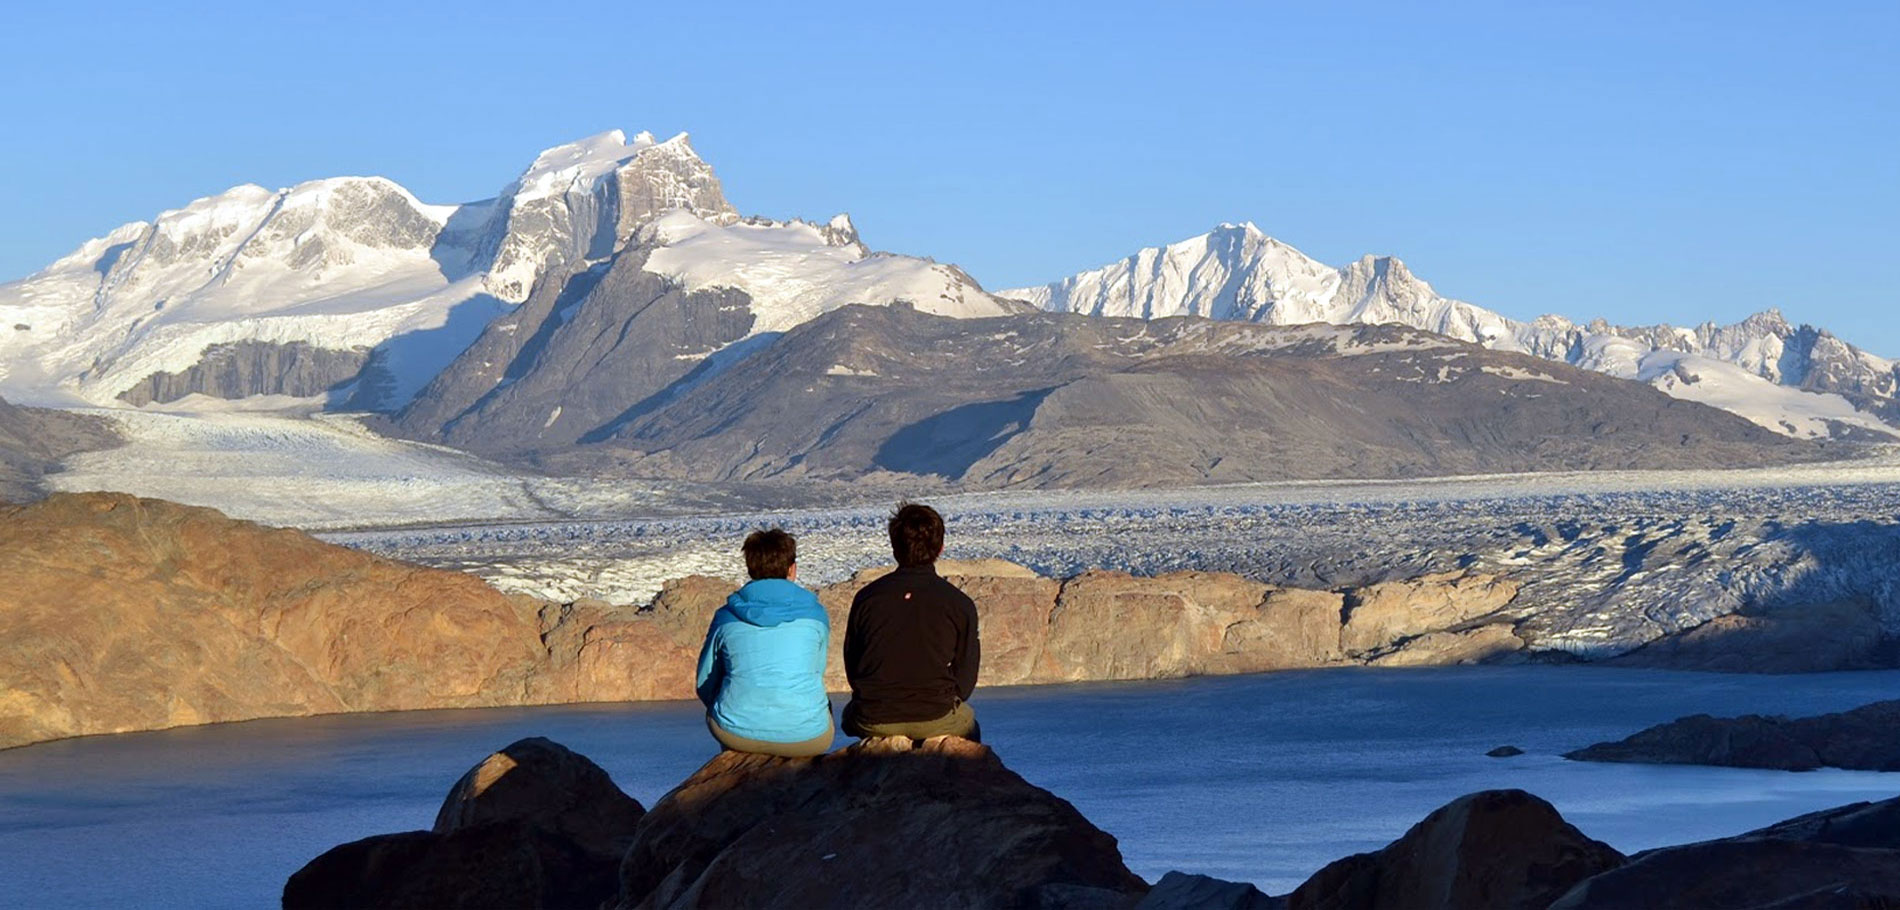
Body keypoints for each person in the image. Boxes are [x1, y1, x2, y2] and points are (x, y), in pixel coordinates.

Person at [841, 501, 982, 742]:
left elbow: (854, 668)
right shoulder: (959, 603)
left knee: (847, 717)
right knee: (971, 727)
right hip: (936, 716)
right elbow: (965, 683)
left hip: (874, 719)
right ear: (940, 548)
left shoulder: (867, 598)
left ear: (894, 547)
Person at [695, 528, 834, 757]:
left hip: (736, 734)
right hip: (807, 737)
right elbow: (816, 671)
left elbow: (706, 682)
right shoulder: (816, 615)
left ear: (750, 569)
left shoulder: (726, 616)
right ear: (792, 569)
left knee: (722, 710)